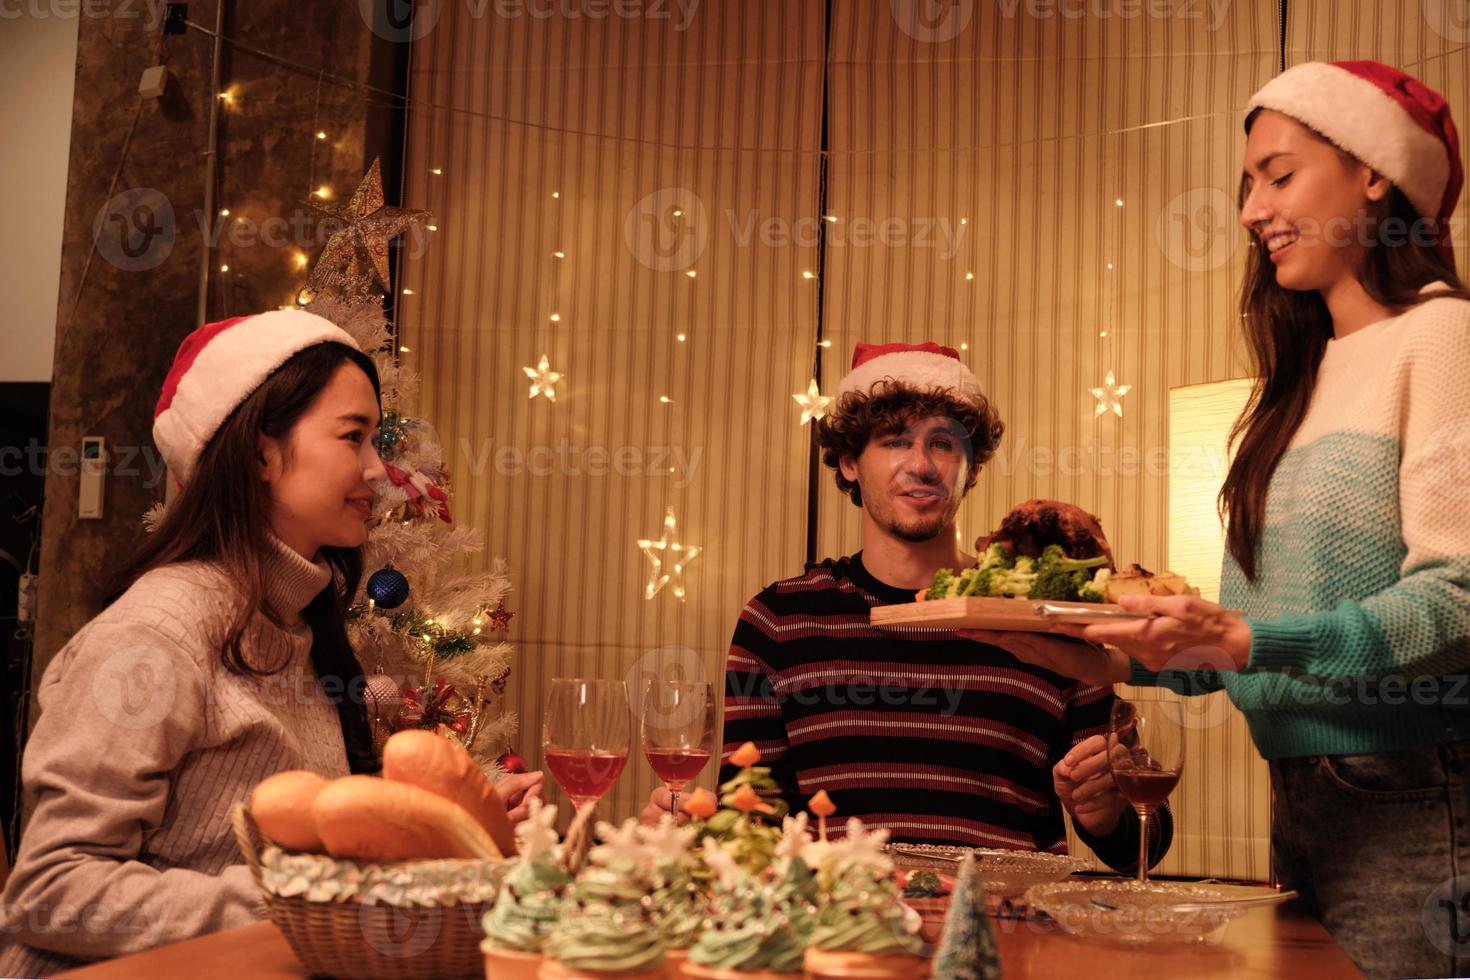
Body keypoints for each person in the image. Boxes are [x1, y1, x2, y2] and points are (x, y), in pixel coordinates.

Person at [1009, 61, 1470, 978]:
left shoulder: (1442, 336)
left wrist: (1242, 636)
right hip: (1299, 801)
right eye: (1248, 185)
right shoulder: (1292, 389)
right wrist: (1102, 655)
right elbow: (1234, 648)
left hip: (1414, 797)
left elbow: (1457, 603)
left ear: (1374, 172)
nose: (1253, 209)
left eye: (1280, 173)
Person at [0, 310, 541, 974]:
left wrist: (448, 824)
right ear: (260, 451)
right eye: (355, 437)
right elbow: (52, 892)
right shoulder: (155, 634)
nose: (378, 469)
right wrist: (308, 900)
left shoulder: (299, 626)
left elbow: (316, 839)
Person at [643, 342, 1171, 874]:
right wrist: (691, 833)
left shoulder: (1045, 614)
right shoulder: (777, 622)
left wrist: (1105, 813)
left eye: (943, 443)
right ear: (849, 462)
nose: (921, 466)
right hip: (837, 933)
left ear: (972, 468)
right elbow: (747, 824)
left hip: (1006, 939)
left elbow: (1144, 842)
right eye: (895, 441)